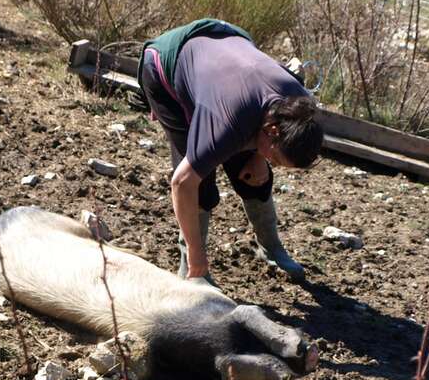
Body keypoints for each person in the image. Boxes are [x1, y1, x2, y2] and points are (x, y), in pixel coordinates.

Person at [138, 18, 323, 283]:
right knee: (200, 184)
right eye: (276, 159)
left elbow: (266, 127)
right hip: (165, 64)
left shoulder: (300, 104)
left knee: (255, 175)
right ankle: (190, 270)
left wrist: (261, 158)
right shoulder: (228, 121)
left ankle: (271, 247)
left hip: (228, 55)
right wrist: (196, 254)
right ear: (271, 131)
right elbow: (182, 183)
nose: (276, 165)